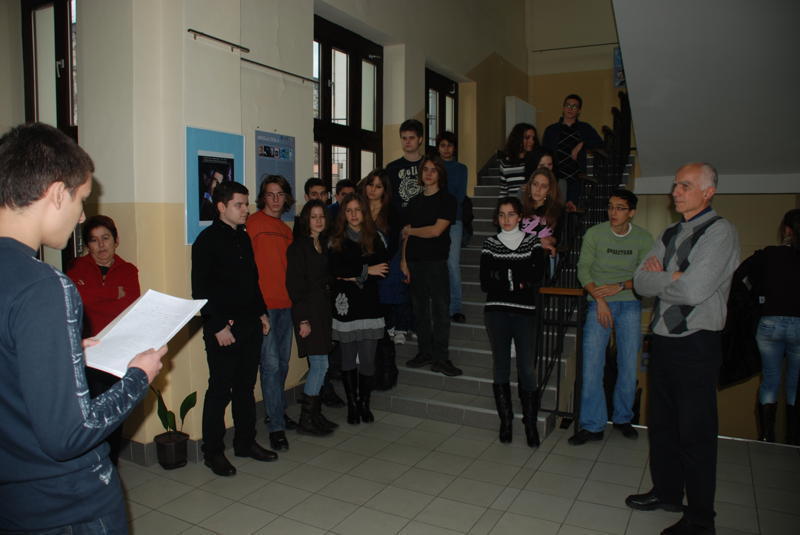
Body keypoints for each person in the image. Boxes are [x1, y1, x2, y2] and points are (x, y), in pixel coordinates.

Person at [0, 122, 165, 532]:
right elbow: (71, 433)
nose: (82, 216)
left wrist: (69, 352)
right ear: (58, 193)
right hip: (64, 505)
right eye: (82, 200)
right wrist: (138, 376)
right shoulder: (46, 287)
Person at [627, 163, 739, 535]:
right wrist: (672, 277)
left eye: (685, 185)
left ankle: (701, 519)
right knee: (661, 425)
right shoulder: (670, 232)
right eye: (676, 184)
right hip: (662, 339)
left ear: (708, 192)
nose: (675, 191)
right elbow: (640, 282)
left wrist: (664, 277)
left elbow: (694, 290)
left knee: (695, 433)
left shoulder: (720, 232)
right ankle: (667, 492)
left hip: (696, 343)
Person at [192, 180, 276, 477]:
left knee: (245, 387)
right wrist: (217, 327)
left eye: (246, 204)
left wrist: (262, 312)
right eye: (239, 204)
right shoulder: (206, 241)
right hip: (223, 330)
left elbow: (252, 281)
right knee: (220, 390)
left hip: (249, 324)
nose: (245, 209)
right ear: (221, 207)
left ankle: (245, 442)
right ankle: (213, 452)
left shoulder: (243, 237)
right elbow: (200, 290)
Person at [569, 189, 653, 446]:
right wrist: (599, 299)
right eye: (610, 207)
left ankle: (623, 418)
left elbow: (646, 277)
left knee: (628, 365)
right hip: (598, 303)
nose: (613, 212)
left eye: (620, 208)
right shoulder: (595, 234)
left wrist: (620, 286)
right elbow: (583, 270)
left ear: (632, 213)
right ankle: (592, 425)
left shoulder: (643, 238)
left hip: (630, 304)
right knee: (592, 365)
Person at [67, 215, 141, 464]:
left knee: (115, 415)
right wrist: (111, 292)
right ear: (87, 245)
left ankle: (111, 465)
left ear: (116, 241)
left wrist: (95, 296)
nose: (101, 245)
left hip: (118, 353)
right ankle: (93, 465)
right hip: (88, 354)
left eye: (106, 238)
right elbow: (78, 299)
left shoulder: (128, 271)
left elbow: (130, 306)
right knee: (92, 416)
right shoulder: (77, 268)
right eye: (94, 240)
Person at [480, 196, 546, 447]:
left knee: (527, 368)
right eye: (501, 215)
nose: (506, 219)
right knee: (501, 365)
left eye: (510, 214)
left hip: (525, 312)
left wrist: (505, 276)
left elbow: (536, 274)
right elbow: (486, 281)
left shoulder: (532, 242)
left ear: (519, 217)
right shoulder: (490, 243)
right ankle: (506, 422)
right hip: (496, 312)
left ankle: (530, 424)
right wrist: (517, 279)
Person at [739, 209, 800, 444]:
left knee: (770, 380)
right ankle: (793, 439)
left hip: (770, 322)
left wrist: (758, 298)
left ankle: (767, 437)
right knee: (794, 383)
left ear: (786, 230)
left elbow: (741, 276)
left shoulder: (769, 255)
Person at [328, 194, 389, 424]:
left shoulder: (375, 238)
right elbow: (336, 270)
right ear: (343, 214)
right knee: (347, 359)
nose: (353, 215)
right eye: (349, 210)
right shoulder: (336, 240)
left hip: (369, 305)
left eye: (357, 210)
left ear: (364, 213)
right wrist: (365, 271)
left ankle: (365, 403)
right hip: (345, 306)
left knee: (367, 360)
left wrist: (353, 274)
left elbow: (382, 269)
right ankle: (352, 405)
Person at [247, 175, 296, 452]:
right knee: (271, 366)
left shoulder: (286, 230)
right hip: (263, 308)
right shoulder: (252, 224)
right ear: (263, 197)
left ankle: (275, 411)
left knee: (284, 364)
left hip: (286, 306)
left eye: (280, 194)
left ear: (286, 198)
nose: (276, 199)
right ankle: (276, 426)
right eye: (270, 194)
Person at [402, 156, 462, 377]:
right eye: (425, 169)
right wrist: (403, 261)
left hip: (436, 263)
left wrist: (411, 231)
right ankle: (425, 352)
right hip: (414, 262)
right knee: (420, 311)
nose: (428, 173)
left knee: (440, 311)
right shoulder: (414, 201)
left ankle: (441, 358)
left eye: (433, 170)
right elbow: (406, 236)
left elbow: (436, 231)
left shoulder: (448, 200)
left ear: (440, 175)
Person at [286, 200, 338, 436]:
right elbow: (295, 286)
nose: (318, 220)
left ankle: (314, 414)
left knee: (322, 363)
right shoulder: (299, 247)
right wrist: (303, 320)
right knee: (319, 364)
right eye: (314, 216)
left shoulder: (322, 245)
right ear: (306, 220)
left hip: (322, 310)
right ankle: (306, 419)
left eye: (322, 216)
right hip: (308, 312)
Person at [360, 169, 410, 343]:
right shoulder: (359, 208)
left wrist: (402, 261)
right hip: (368, 258)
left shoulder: (392, 210)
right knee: (377, 296)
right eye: (370, 185)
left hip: (391, 256)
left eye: (378, 186)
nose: (373, 190)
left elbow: (399, 239)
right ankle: (387, 327)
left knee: (394, 292)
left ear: (385, 190)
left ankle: (400, 327)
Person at [542, 94, 603, 210]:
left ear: (579, 111)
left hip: (576, 177)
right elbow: (544, 152)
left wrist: (582, 144)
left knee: (573, 211)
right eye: (568, 105)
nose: (570, 109)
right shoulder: (551, 130)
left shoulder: (585, 128)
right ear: (563, 108)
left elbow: (599, 143)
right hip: (556, 176)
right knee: (555, 211)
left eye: (575, 106)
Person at [437, 131, 468, 323]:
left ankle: (455, 307)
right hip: (433, 221)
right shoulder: (432, 167)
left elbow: (460, 196)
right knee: (436, 265)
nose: (446, 149)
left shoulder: (461, 168)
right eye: (442, 145)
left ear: (454, 147)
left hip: (454, 220)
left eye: (449, 145)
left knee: (452, 264)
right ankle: (438, 306)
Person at [520, 166, 563, 257]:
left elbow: (559, 238)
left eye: (543, 186)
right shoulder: (519, 209)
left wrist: (550, 240)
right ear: (530, 186)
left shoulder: (557, 211)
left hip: (543, 256)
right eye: (535, 184)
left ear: (549, 190)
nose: (538, 190)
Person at [386, 119, 425, 217]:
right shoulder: (392, 167)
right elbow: (388, 197)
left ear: (420, 139)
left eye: (411, 138)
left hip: (425, 218)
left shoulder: (430, 166)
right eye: (404, 138)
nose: (407, 141)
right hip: (399, 219)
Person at [498, 122, 538, 197]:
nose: (532, 141)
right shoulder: (505, 163)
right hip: (512, 203)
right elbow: (503, 191)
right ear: (518, 138)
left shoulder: (536, 160)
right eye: (527, 137)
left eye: (533, 138)